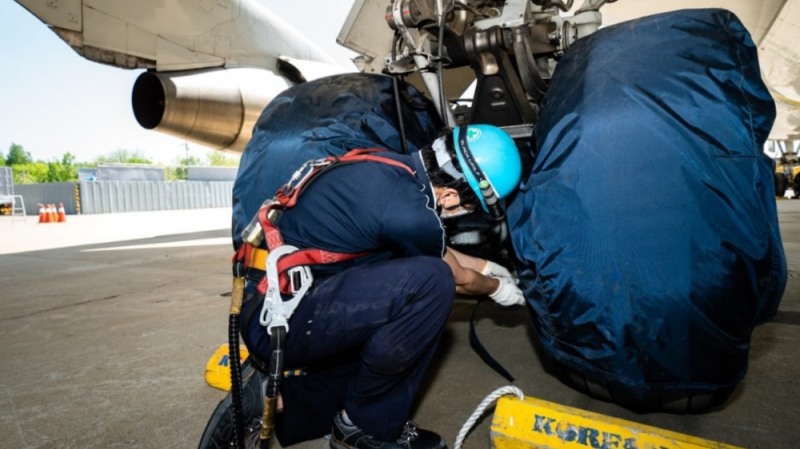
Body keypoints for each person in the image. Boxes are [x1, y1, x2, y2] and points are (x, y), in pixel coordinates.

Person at [235, 123, 524, 449]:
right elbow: (457, 276)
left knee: (381, 354)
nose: (463, 214)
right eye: (470, 207)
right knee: (432, 284)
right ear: (450, 195)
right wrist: (497, 288)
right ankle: (365, 428)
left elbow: (438, 247)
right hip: (282, 324)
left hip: (273, 306)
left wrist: (488, 266)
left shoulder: (388, 168)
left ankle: (284, 401)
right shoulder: (409, 211)